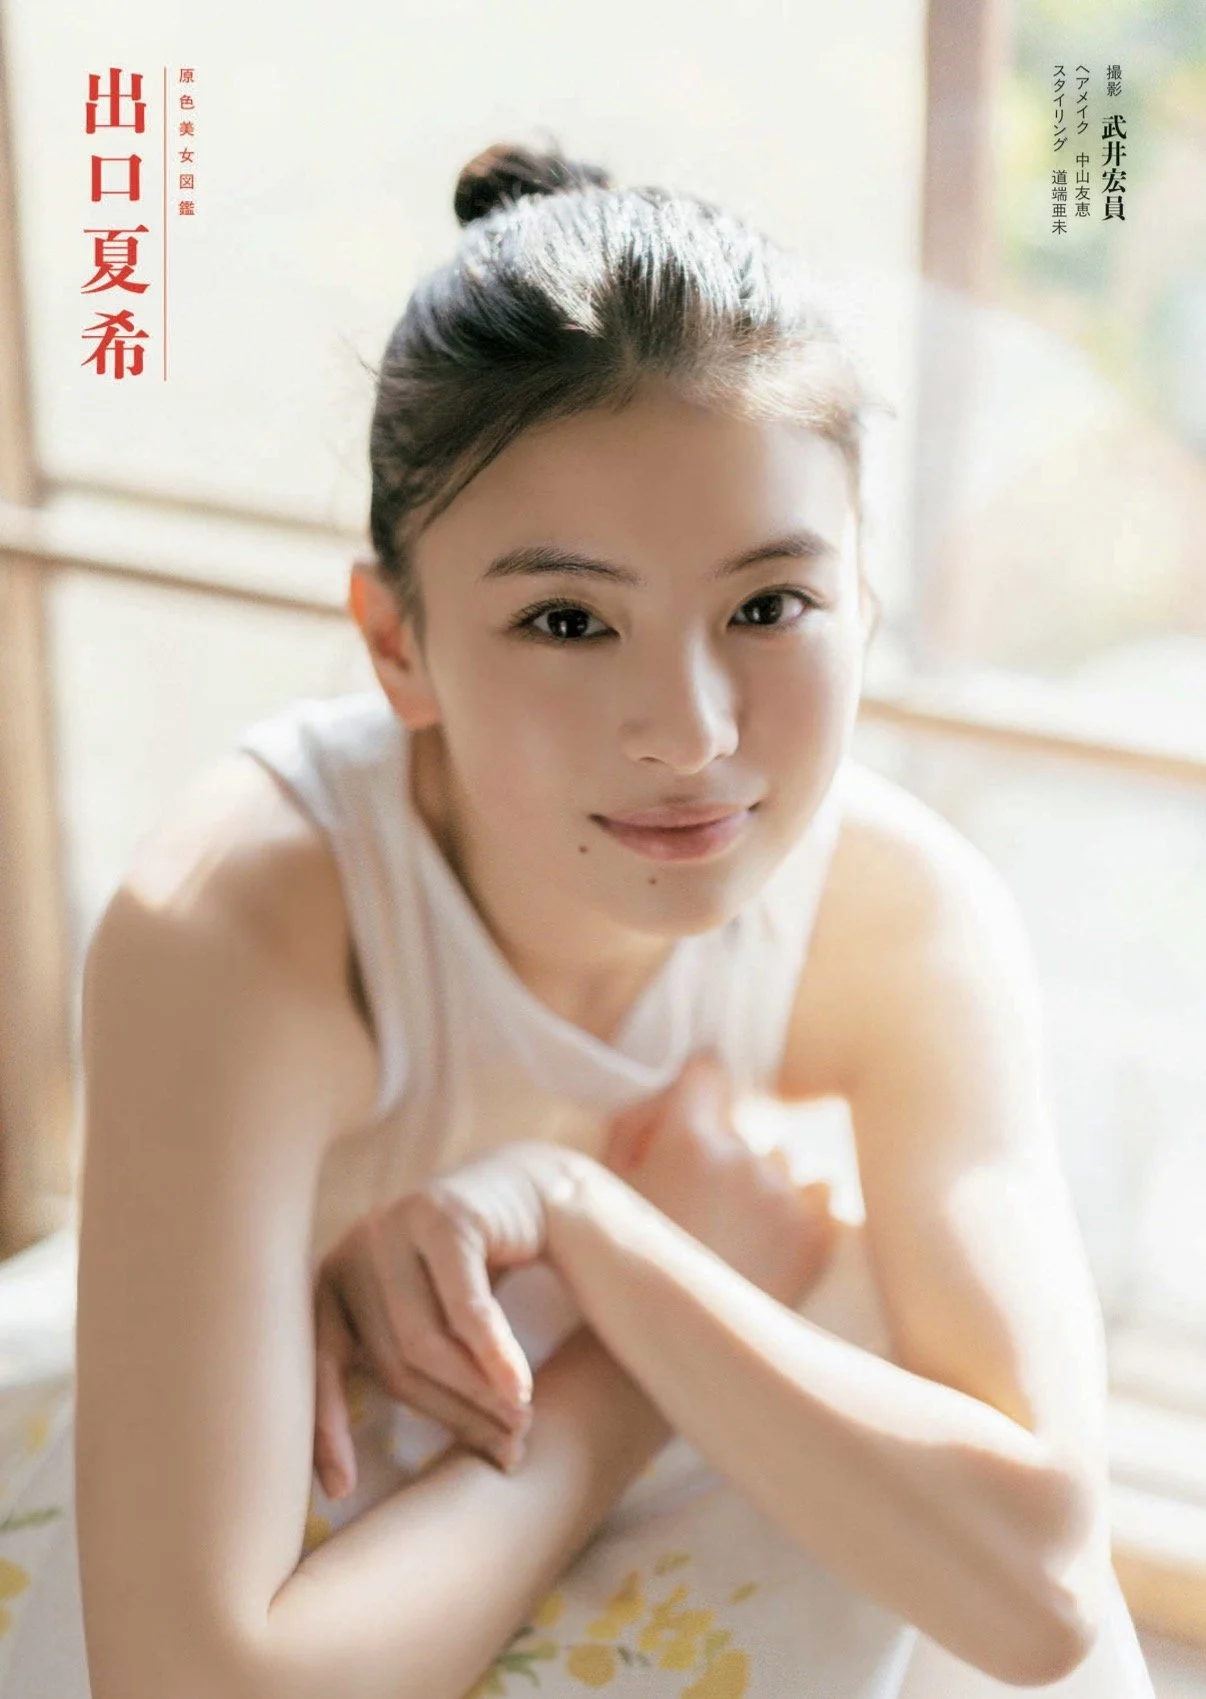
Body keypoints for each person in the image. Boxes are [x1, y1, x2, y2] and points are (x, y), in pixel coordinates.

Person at [0, 143, 1156, 1699]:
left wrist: (581, 1217)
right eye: (566, 619)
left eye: (767, 605)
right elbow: (197, 1683)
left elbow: (1040, 1589)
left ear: (865, 599)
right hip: (301, 1543)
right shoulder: (243, 915)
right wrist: (615, 1377)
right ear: (396, 645)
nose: (688, 731)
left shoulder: (901, 915)